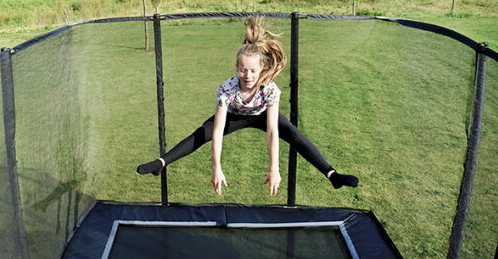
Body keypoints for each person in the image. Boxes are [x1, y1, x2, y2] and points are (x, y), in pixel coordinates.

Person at [137, 16, 358, 196]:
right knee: (202, 133)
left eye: (253, 71)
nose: (248, 75)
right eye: (243, 70)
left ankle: (332, 175)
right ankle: (161, 162)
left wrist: (275, 168)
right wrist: (217, 168)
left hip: (261, 115)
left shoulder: (270, 89)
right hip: (234, 115)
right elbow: (217, 132)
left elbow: (272, 131)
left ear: (262, 68)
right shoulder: (227, 89)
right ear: (236, 68)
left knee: (292, 132)